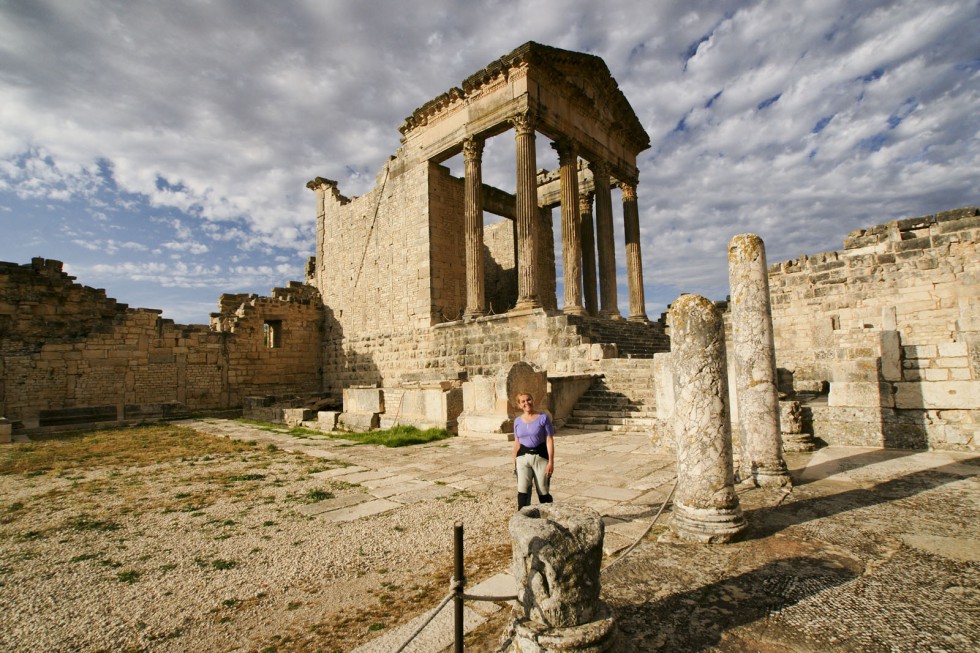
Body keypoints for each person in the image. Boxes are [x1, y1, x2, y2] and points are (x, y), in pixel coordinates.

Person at [512, 392, 555, 510]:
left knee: (543, 490)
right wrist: (514, 462)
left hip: (540, 457)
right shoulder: (517, 421)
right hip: (522, 458)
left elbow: (549, 440)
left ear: (532, 400)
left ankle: (549, 516)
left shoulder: (543, 418)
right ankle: (522, 518)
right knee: (522, 490)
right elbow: (517, 443)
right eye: (523, 401)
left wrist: (551, 462)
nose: (526, 403)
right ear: (519, 405)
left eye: (528, 400)